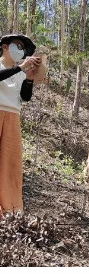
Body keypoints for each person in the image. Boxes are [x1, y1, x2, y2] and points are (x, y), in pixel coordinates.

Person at [0, 34, 40, 215]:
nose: (20, 50)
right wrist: (21, 69)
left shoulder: (19, 72)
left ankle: (11, 207)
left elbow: (25, 97)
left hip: (13, 117)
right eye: (16, 45)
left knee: (11, 164)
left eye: (22, 48)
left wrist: (29, 78)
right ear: (5, 47)